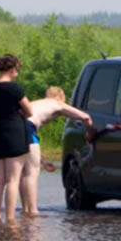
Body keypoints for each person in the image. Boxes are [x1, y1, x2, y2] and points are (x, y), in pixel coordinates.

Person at [19, 86, 93, 215]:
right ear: (59, 97)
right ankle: (33, 211)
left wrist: (43, 161)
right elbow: (85, 117)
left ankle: (25, 209)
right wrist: (89, 132)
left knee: (23, 172)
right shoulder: (56, 103)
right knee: (32, 173)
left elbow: (29, 148)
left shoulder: (38, 103)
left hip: (15, 127)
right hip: (28, 127)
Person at [0, 54, 32, 222]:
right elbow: (29, 111)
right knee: (13, 180)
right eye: (17, 70)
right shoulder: (15, 88)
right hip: (14, 133)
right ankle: (11, 218)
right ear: (13, 70)